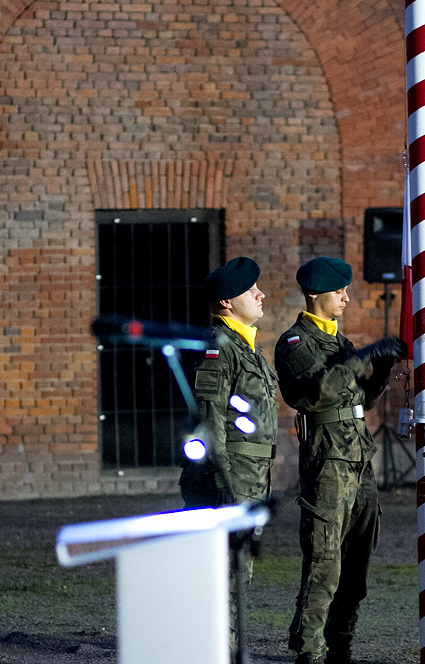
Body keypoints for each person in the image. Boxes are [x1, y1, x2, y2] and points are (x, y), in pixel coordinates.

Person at [275, 257, 407, 664]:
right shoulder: (296, 343)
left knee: (357, 563)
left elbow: (361, 399)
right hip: (328, 462)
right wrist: (362, 356)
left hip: (359, 459)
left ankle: (340, 642)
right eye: (340, 292)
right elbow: (318, 393)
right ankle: (310, 649)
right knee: (324, 562)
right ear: (315, 294)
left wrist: (380, 369)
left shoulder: (338, 342)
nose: (347, 298)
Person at [178, 256, 278, 646]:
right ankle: (215, 646)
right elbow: (210, 418)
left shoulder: (245, 345)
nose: (261, 294)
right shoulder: (219, 347)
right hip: (228, 479)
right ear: (225, 303)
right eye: (251, 291)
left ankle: (218, 643)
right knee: (223, 571)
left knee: (237, 571)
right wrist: (222, 481)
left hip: (248, 478)